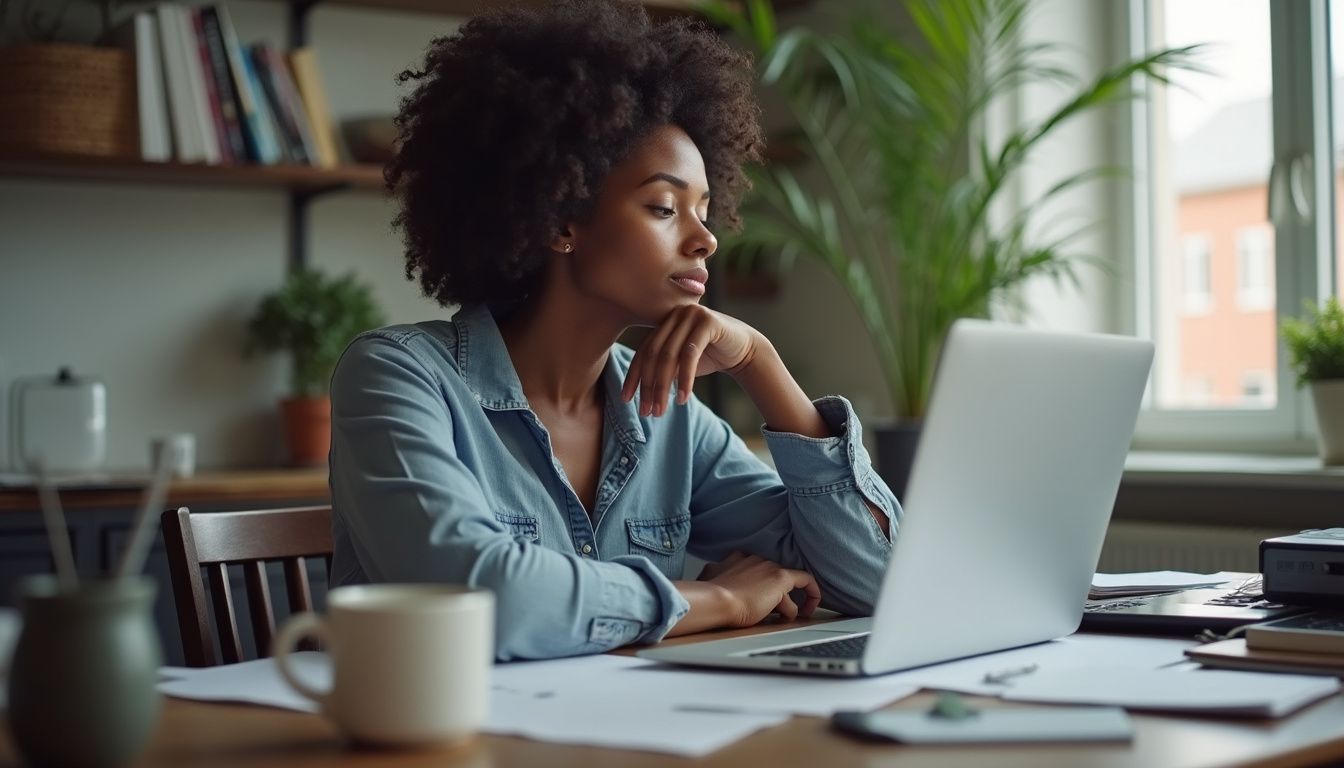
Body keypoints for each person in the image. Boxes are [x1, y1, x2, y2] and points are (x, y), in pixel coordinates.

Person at [329, 0, 900, 661]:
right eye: (664, 207)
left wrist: (760, 364)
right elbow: (485, 600)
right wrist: (714, 600)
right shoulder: (398, 376)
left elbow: (879, 581)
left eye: (706, 211)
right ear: (559, 220)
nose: (705, 239)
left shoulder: (668, 413)